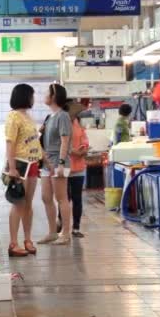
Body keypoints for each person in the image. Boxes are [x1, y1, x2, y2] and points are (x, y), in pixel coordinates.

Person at [4, 84, 43, 257]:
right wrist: (12, 167)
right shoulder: (13, 116)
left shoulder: (27, 116)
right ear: (25, 96)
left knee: (28, 204)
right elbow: (10, 142)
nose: (34, 99)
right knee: (18, 203)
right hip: (19, 165)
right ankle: (13, 243)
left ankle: (28, 239)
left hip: (33, 164)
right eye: (32, 95)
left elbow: (33, 140)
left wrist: (43, 160)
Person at [38, 83, 72, 245]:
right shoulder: (49, 117)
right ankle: (52, 231)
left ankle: (66, 233)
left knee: (61, 198)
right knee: (45, 197)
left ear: (54, 96)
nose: (44, 95)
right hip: (47, 163)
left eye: (47, 93)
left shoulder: (63, 116)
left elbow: (65, 140)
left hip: (59, 162)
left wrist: (61, 162)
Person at [65, 100, 89, 238]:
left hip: (79, 167)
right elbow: (60, 144)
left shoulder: (78, 123)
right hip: (65, 167)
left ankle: (76, 227)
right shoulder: (62, 123)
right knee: (64, 199)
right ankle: (63, 225)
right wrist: (74, 151)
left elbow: (85, 140)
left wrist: (84, 149)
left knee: (77, 199)